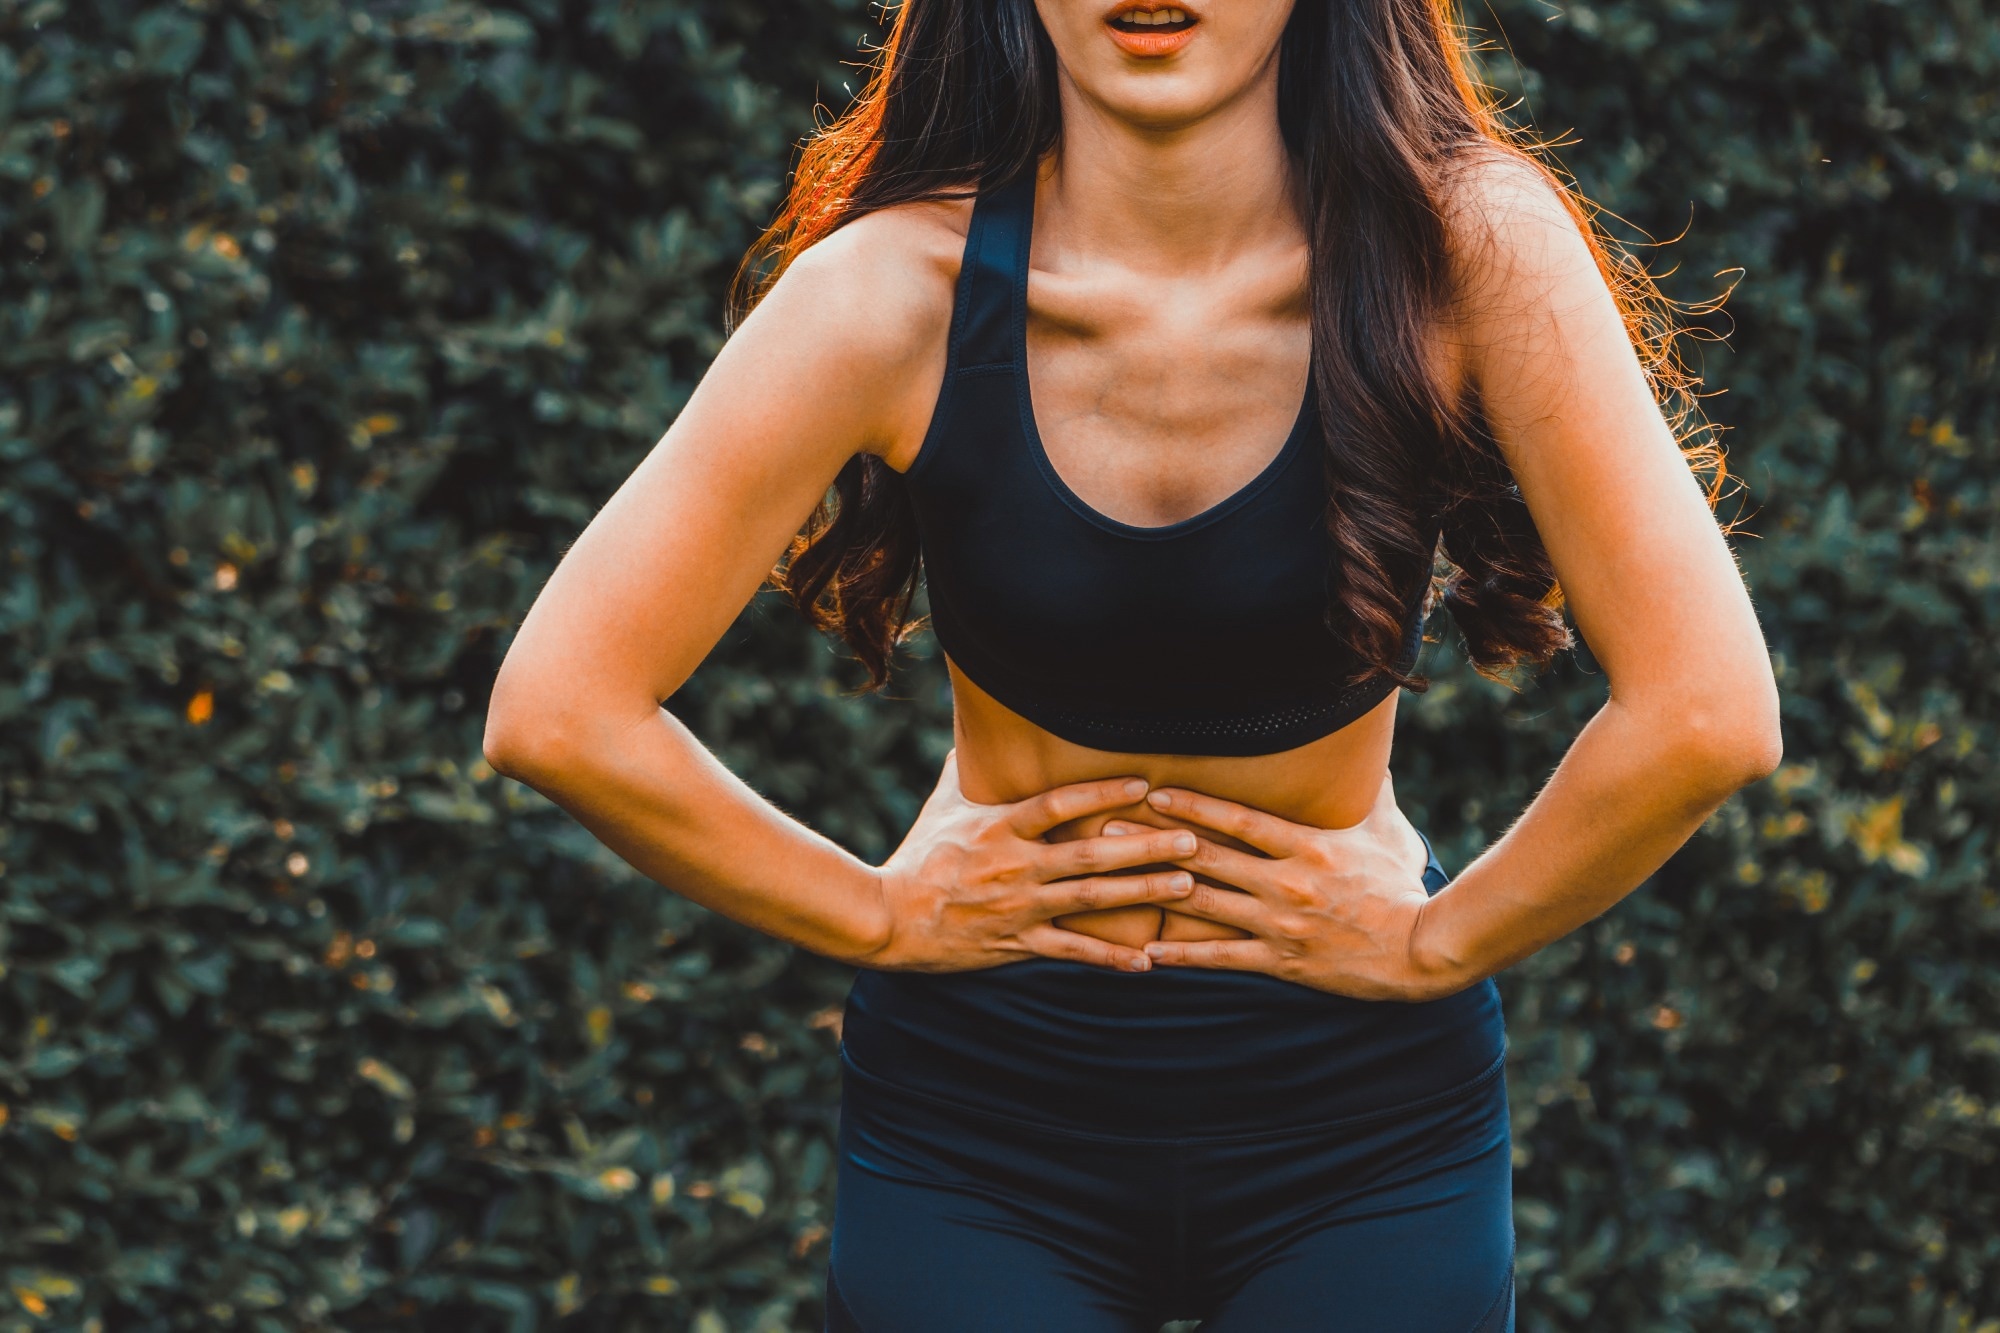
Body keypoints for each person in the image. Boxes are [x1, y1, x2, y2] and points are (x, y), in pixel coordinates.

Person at [483, 0, 1782, 1327]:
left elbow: (1705, 708)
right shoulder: (888, 294)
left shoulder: (1467, 251)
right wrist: (878, 913)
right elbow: (561, 707)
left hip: (1362, 1126)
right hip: (982, 1123)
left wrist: (1437, 944)